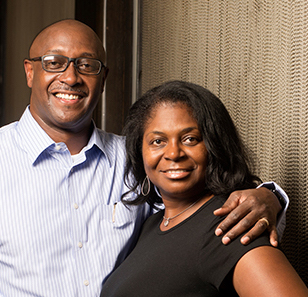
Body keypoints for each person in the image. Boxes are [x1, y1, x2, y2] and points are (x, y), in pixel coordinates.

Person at [0, 20, 287, 296]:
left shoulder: (137, 161)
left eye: (87, 65)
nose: (70, 77)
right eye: (54, 63)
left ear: (103, 78)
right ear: (29, 72)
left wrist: (269, 197)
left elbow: (199, 215)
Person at [100, 80, 307, 297]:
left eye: (190, 139)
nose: (173, 153)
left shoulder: (227, 225)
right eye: (158, 141)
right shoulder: (153, 224)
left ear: (214, 145)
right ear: (139, 150)